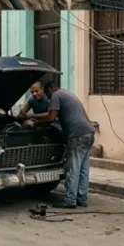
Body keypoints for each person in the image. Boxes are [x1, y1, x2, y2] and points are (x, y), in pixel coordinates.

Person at [27, 81, 94, 209]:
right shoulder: (67, 93)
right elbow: (51, 114)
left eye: (47, 94)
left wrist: (34, 123)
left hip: (77, 134)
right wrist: (32, 115)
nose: (49, 98)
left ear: (49, 90)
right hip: (89, 132)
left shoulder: (56, 95)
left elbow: (51, 117)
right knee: (83, 169)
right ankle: (81, 199)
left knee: (73, 168)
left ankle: (69, 200)